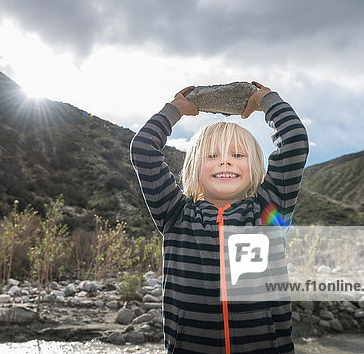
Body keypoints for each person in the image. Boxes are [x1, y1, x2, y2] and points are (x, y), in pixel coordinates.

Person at [130, 81, 309, 353]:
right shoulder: (175, 214)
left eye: (237, 155)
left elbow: (294, 141)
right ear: (194, 167)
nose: (225, 162)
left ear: (254, 166)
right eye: (212, 155)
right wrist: (176, 109)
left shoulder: (268, 210)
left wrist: (268, 101)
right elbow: (143, 149)